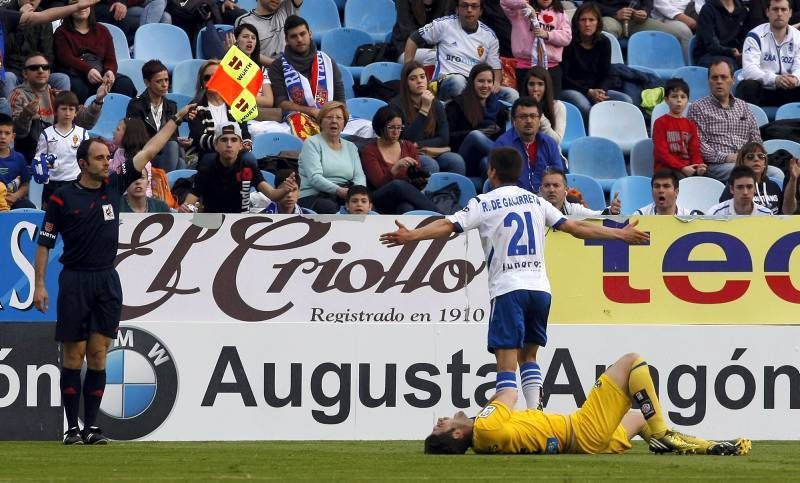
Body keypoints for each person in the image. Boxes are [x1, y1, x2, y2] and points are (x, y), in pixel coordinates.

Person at [381, 147, 650, 411]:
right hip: (540, 290)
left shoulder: (483, 203)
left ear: (491, 171)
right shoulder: (535, 201)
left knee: (506, 364)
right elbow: (576, 228)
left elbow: (448, 225)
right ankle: (535, 416)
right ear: (520, 173)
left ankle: (503, 421)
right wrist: (620, 235)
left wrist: (411, 236)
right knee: (529, 357)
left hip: (509, 288)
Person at [32, 102, 197, 445]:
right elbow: (44, 245)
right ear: (83, 164)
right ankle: (70, 427)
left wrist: (177, 119)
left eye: (108, 158)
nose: (107, 163)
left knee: (98, 354)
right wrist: (39, 286)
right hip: (75, 279)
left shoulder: (113, 186)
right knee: (73, 356)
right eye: (99, 159)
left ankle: (91, 428)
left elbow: (151, 147)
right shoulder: (62, 199)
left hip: (107, 280)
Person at [422, 351, 751, 456]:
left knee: (638, 417)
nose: (443, 419)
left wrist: (467, 415)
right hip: (581, 430)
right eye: (443, 425)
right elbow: (508, 392)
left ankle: (702, 446)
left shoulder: (484, 438)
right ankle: (665, 433)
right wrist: (510, 358)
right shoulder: (485, 428)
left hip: (579, 442)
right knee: (631, 362)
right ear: (455, 436)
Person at [404, 0, 518, 102]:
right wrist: (408, 69)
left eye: (474, 6)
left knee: (512, 95)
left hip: (476, 87)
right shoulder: (444, 25)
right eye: (464, 5)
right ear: (457, 9)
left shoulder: (489, 36)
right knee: (459, 82)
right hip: (447, 82)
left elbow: (495, 68)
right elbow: (413, 39)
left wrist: (496, 83)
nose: (469, 10)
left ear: (481, 11)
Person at [10, 52, 106, 163]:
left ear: (49, 72)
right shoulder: (18, 95)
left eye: (45, 67)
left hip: (60, 155)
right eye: (34, 68)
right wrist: (26, 115)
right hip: (31, 158)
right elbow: (17, 134)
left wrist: (98, 100)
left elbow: (85, 123)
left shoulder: (56, 94)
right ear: (25, 74)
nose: (40, 70)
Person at [181, 122, 296, 213]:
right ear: (216, 145)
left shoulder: (248, 164)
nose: (229, 144)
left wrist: (284, 190)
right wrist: (184, 208)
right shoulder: (207, 165)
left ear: (241, 145)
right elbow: (192, 197)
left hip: (240, 221)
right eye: (224, 140)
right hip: (211, 220)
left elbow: (272, 195)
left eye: (234, 139)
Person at [267, 15, 345, 138]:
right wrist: (312, 111)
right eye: (293, 36)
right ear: (286, 40)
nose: (299, 39)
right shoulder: (277, 66)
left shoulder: (327, 61)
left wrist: (332, 117)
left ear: (310, 34)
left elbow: (340, 100)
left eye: (302, 34)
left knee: (366, 127)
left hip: (331, 116)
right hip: (298, 117)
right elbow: (281, 103)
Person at [687, 58, 762, 183]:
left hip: (746, 162)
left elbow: (756, 139)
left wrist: (751, 157)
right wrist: (727, 157)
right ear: (709, 81)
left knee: (776, 173)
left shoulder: (743, 107)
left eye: (724, 77)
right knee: (741, 172)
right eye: (714, 78)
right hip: (716, 165)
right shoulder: (698, 108)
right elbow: (699, 145)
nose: (719, 82)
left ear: (732, 80)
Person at [360, 105, 441, 214]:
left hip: (404, 197)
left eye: (399, 127)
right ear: (380, 127)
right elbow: (378, 184)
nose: (396, 132)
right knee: (397, 185)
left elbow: (413, 181)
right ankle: (441, 216)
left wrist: (420, 180)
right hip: (379, 198)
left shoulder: (408, 146)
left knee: (406, 207)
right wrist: (395, 168)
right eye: (391, 127)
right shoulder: (369, 151)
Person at [560, 2, 633, 122]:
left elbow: (606, 73)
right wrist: (588, 91)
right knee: (585, 107)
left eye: (591, 20)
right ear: (577, 22)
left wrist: (600, 91)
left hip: (596, 89)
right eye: (583, 20)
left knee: (626, 101)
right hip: (573, 88)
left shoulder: (604, 42)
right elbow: (564, 78)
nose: (587, 24)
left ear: (598, 22)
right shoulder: (568, 42)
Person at [390, 61, 467, 175]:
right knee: (430, 164)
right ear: (406, 83)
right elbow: (408, 139)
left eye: (422, 77)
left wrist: (420, 145)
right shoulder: (396, 105)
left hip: (431, 151)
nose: (419, 81)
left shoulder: (436, 104)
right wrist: (424, 109)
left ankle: (453, 192)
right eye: (413, 78)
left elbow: (444, 138)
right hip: (406, 154)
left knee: (456, 160)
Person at [53, 4, 137, 103]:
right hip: (76, 73)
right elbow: (66, 58)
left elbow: (110, 59)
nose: (82, 7)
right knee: (78, 86)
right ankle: (82, 116)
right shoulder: (61, 32)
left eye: (85, 4)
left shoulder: (102, 30)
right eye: (77, 4)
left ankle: (124, 116)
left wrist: (110, 71)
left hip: (100, 72)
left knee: (124, 83)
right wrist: (87, 70)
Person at [298, 101, 366, 213]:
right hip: (314, 196)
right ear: (320, 122)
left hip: (345, 195)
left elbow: (359, 177)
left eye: (339, 118)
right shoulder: (311, 143)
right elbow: (315, 178)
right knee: (330, 207)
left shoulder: (351, 147)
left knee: (365, 207)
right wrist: (340, 191)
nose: (334, 121)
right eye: (329, 117)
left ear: (344, 124)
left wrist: (357, 194)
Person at [445, 63, 510, 177]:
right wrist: (478, 132)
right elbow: (448, 137)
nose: (485, 85)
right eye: (481, 81)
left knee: (486, 162)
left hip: (487, 159)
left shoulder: (499, 108)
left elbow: (502, 140)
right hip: (463, 159)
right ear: (472, 82)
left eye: (489, 81)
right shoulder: (457, 105)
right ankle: (508, 161)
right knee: (475, 135)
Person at [2, 0, 71, 101]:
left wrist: (37, 71)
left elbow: (48, 55)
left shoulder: (43, 17)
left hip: (37, 71)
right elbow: (4, 51)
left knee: (62, 79)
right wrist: (19, 18)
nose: (32, 0)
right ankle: (14, 115)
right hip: (13, 72)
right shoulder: (5, 13)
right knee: (7, 77)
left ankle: (59, 115)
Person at [736, 0, 800, 107]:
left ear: (790, 13)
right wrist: (775, 79)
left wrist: (795, 78)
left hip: (789, 90)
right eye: (775, 9)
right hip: (763, 90)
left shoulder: (798, 37)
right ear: (767, 12)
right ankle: (749, 122)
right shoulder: (755, 35)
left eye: (783, 9)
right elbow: (749, 70)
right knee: (748, 85)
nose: (779, 13)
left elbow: (799, 67)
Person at [501, 0, 571, 97]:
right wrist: (525, 3)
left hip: (551, 68)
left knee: (552, 106)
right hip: (526, 67)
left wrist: (547, 35)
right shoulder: (520, 11)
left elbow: (567, 38)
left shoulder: (560, 13)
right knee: (526, 106)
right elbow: (504, 2)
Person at [493, 97, 563, 193]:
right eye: (523, 116)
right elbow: (499, 184)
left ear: (539, 121)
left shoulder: (549, 143)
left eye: (533, 116)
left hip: (545, 200)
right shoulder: (503, 146)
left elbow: (558, 177)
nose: (529, 121)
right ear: (514, 121)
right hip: (515, 200)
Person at [34, 91, 91, 208]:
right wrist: (45, 165)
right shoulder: (46, 134)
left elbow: (87, 160)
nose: (67, 113)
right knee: (50, 221)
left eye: (71, 109)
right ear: (55, 111)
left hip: (75, 183)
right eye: (63, 109)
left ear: (76, 112)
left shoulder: (83, 134)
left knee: (75, 219)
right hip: (52, 185)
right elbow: (39, 161)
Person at [188, 59, 254, 159]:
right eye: (207, 77)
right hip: (207, 153)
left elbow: (244, 132)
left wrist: (246, 144)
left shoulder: (237, 103)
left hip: (236, 153)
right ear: (202, 82)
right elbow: (198, 138)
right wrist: (225, 146)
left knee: (249, 158)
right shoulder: (194, 106)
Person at [126, 60, 180, 172]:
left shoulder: (171, 106)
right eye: (159, 81)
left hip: (166, 154)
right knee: (173, 148)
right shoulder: (136, 106)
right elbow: (135, 142)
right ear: (147, 82)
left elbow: (174, 137)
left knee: (180, 157)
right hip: (145, 156)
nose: (165, 85)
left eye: (166, 80)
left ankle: (166, 186)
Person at [652, 78, 706, 177]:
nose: (679, 100)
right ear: (666, 100)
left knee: (707, 179)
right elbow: (662, 153)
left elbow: (695, 151)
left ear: (687, 101)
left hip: (688, 168)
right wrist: (682, 168)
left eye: (683, 97)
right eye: (674, 96)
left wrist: (698, 166)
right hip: (667, 169)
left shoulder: (691, 125)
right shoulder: (660, 123)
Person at [717, 142, 783, 214]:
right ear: (742, 162)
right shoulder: (735, 186)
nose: (756, 159)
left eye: (761, 156)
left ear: (765, 163)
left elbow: (783, 215)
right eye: (750, 156)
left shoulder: (774, 186)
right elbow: (725, 215)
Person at [235, 0, 303, 66]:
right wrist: (278, 65)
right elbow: (245, 53)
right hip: (263, 73)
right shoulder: (245, 21)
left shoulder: (286, 8)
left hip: (290, 69)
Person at [225, 22, 275, 108]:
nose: (250, 40)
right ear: (236, 40)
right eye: (245, 36)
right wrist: (232, 58)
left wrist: (241, 98)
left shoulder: (261, 69)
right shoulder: (225, 66)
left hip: (260, 116)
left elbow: (269, 101)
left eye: (253, 38)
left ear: (256, 44)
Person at [596, 0, 690, 43]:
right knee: (608, 29)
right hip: (611, 17)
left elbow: (648, 3)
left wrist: (645, 12)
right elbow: (589, 4)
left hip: (636, 19)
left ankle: (656, 69)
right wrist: (614, 13)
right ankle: (612, 69)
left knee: (673, 36)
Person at [539, 167, 621, 215]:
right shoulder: (533, 209)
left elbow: (597, 217)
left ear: (565, 190)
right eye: (547, 186)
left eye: (556, 185)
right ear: (541, 190)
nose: (551, 190)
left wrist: (611, 211)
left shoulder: (574, 209)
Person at [692, 0, 748, 68]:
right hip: (709, 54)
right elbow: (711, 44)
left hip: (734, 54)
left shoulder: (743, 9)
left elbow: (744, 38)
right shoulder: (708, 9)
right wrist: (730, 51)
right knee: (728, 66)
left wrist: (743, 51)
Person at [522, 66, 566, 144]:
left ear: (546, 87)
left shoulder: (558, 106)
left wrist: (538, 113)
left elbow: (556, 141)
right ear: (526, 86)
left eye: (540, 84)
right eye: (531, 84)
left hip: (549, 153)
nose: (535, 89)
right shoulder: (519, 107)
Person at [0, 114, 35, 209]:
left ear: (13, 137)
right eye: (0, 132)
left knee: (28, 207)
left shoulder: (19, 158)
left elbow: (25, 184)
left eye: (7, 133)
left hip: (12, 202)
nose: (2, 137)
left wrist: (16, 196)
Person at [707, 165, 774, 215]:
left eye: (749, 187)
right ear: (731, 189)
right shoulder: (716, 214)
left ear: (755, 189)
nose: (745, 192)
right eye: (740, 187)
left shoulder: (767, 215)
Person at [633, 169, 702, 214]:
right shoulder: (639, 216)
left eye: (666, 186)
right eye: (657, 186)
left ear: (676, 192)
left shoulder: (690, 217)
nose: (661, 190)